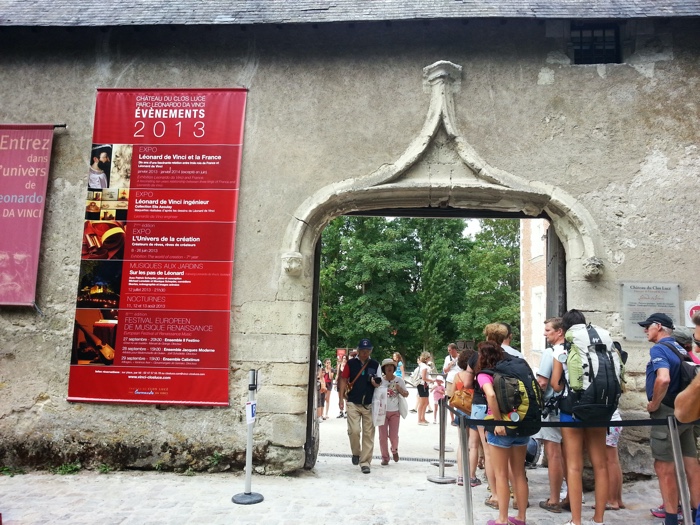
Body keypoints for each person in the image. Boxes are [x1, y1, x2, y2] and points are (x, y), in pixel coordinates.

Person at [550, 309, 616, 525]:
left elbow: (555, 384)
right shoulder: (601, 347)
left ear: (566, 329)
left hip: (572, 411)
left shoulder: (561, 349)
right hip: (599, 409)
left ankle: (576, 521)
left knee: (574, 466)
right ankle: (599, 519)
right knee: (601, 465)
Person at [640, 312, 700, 525]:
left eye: (648, 326)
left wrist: (654, 404)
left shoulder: (659, 348)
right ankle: (696, 515)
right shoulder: (680, 348)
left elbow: (663, 379)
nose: (645, 330)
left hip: (666, 414)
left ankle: (672, 519)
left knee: (664, 467)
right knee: (691, 464)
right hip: (686, 413)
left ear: (659, 326)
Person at [477, 340, 530, 525]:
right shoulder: (514, 370)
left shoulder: (485, 374)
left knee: (501, 474)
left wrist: (498, 420)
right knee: (518, 473)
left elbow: (491, 395)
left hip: (499, 428)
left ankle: (502, 519)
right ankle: (521, 517)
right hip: (521, 424)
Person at [465, 323, 509, 510]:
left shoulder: (477, 356)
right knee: (508, 453)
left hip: (481, 403)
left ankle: (496, 493)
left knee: (488, 451)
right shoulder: (510, 356)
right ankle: (510, 491)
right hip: (506, 406)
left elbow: (467, 382)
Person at [535, 317, 566, 514]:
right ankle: (571, 497)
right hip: (573, 408)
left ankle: (554, 499)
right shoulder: (574, 349)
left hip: (553, 408)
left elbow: (543, 383)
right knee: (571, 455)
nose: (545, 334)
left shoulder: (551, 352)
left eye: (548, 330)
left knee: (553, 453)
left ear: (559, 332)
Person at [338, 338, 382, 474]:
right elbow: (344, 380)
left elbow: (379, 383)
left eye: (367, 350)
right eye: (363, 350)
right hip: (353, 401)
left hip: (369, 403)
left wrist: (376, 383)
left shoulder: (375, 364)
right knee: (354, 431)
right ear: (358, 350)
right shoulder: (351, 364)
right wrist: (340, 398)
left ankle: (365, 462)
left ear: (370, 350)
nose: (365, 352)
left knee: (369, 434)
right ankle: (356, 453)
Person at [452, 347, 479, 487]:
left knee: (462, 443)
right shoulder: (477, 375)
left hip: (461, 411)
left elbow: (452, 394)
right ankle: (472, 476)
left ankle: (461, 476)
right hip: (474, 410)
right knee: (474, 445)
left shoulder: (457, 376)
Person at [378, 358, 409, 465]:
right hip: (382, 412)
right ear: (384, 369)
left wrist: (399, 388)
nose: (389, 368)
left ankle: (394, 449)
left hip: (395, 411)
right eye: (387, 366)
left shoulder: (399, 380)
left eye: (391, 366)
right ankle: (385, 457)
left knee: (393, 435)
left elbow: (406, 394)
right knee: (382, 436)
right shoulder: (380, 381)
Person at [443, 342, 461, 423]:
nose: (449, 352)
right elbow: (445, 371)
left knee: (460, 399)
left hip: (460, 380)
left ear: (454, 350)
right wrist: (450, 365)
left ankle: (459, 416)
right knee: (451, 400)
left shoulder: (460, 357)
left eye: (450, 350)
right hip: (450, 380)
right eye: (448, 350)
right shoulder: (447, 358)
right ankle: (452, 418)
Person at [416, 351, 434, 425]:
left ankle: (423, 418)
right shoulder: (424, 367)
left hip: (424, 385)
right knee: (422, 402)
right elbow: (423, 377)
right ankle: (419, 419)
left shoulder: (423, 365)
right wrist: (432, 380)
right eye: (429, 357)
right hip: (422, 385)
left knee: (426, 402)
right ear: (427, 358)